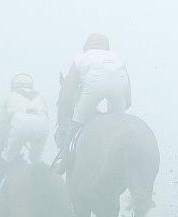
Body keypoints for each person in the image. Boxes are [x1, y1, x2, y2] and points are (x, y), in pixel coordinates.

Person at [54, 34, 131, 171]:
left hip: (94, 86)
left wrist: (64, 104)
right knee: (120, 124)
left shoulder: (81, 57)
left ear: (87, 46)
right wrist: (124, 105)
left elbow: (68, 88)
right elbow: (128, 90)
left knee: (76, 124)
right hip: (119, 87)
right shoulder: (116, 57)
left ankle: (65, 160)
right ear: (106, 47)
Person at [0, 74, 50, 194]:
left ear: (13, 86)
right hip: (42, 124)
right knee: (36, 159)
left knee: (7, 158)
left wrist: (1, 143)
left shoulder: (10, 96)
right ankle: (46, 186)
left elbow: (2, 126)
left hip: (20, 122)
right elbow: (47, 116)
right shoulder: (40, 96)